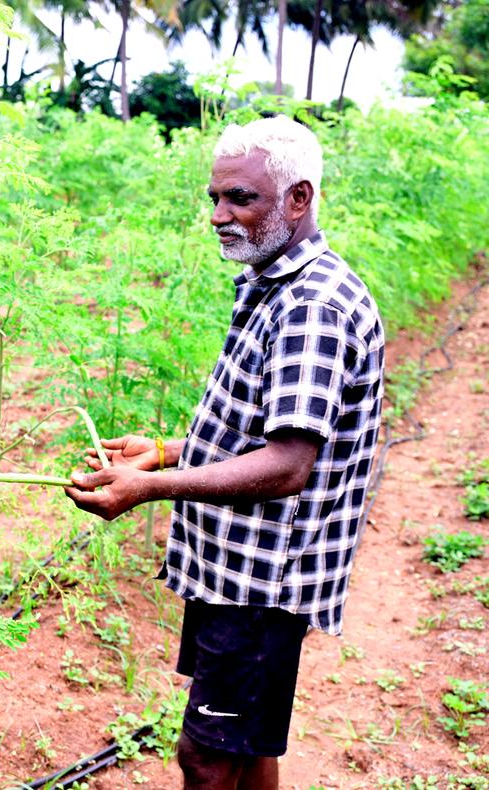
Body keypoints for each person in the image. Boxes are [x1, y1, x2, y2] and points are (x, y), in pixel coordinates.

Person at [64, 115, 385, 790]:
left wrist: (150, 488)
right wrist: (161, 451)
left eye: (241, 198)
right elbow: (267, 431)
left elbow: (289, 464)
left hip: (262, 581)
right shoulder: (273, 284)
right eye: (215, 197)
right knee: (246, 743)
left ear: (298, 199)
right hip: (239, 569)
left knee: (206, 757)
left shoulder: (310, 307)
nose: (219, 214)